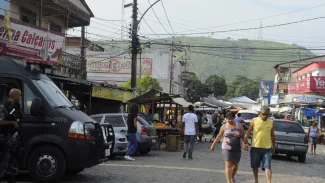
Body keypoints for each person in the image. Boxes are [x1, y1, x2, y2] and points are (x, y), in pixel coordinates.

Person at [210, 112, 246, 183]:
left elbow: (243, 136)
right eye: (228, 119)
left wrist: (245, 144)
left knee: (235, 165)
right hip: (226, 148)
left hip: (237, 148)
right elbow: (219, 136)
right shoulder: (224, 126)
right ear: (226, 119)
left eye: (231, 119)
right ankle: (228, 181)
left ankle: (232, 176)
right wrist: (213, 145)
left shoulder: (239, 126)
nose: (229, 120)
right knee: (228, 165)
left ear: (234, 118)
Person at [244, 106, 275, 183]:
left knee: (267, 166)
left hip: (267, 148)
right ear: (260, 114)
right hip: (255, 147)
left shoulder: (271, 122)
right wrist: (245, 142)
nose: (265, 116)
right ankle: (256, 180)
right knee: (255, 166)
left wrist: (274, 146)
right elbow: (248, 132)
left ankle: (269, 181)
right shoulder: (254, 121)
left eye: (267, 114)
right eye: (264, 114)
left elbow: (272, 135)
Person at [0, 88, 22, 183]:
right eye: (19, 95)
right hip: (5, 140)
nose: (20, 97)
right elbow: (0, 121)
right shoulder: (3, 106)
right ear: (14, 96)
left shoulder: (16, 107)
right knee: (2, 163)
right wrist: (12, 123)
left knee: (12, 165)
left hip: (13, 141)